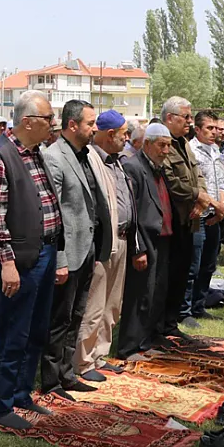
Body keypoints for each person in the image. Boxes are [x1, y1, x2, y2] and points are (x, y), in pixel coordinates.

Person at [0, 90, 63, 430]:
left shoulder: (35, 153)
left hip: (44, 252)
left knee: (36, 330)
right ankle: (0, 406)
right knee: (14, 332)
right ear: (27, 122)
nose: (53, 125)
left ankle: (21, 393)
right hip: (20, 259)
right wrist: (7, 262)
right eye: (48, 119)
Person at [39, 100, 111, 399]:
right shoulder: (54, 157)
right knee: (59, 319)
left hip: (88, 249)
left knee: (76, 316)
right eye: (90, 123)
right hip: (68, 254)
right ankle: (51, 380)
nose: (95, 129)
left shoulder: (86, 154)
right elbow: (52, 215)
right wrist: (59, 259)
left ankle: (67, 374)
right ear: (72, 125)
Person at [76, 110, 138, 381]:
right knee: (94, 305)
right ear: (110, 134)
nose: (127, 139)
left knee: (113, 304)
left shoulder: (118, 161)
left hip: (123, 239)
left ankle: (100, 355)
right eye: (124, 134)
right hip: (103, 243)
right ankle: (83, 362)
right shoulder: (90, 159)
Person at [116, 123, 174, 358]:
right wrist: (137, 249)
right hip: (144, 240)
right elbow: (133, 213)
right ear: (147, 143)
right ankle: (129, 346)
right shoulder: (133, 166)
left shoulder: (157, 167)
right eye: (161, 145)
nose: (166, 151)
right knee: (139, 294)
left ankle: (146, 340)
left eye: (168, 146)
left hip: (162, 238)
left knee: (156, 292)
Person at [158, 97, 213, 339]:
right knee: (169, 277)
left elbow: (197, 173)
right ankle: (162, 325)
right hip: (172, 221)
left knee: (183, 273)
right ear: (170, 118)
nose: (190, 122)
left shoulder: (184, 143)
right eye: (186, 117)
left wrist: (201, 199)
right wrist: (198, 196)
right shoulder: (162, 143)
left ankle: (171, 326)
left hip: (190, 217)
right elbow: (172, 183)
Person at [184, 111, 224, 326]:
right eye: (210, 128)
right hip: (199, 213)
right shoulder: (191, 150)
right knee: (194, 263)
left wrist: (220, 207)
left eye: (216, 128)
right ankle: (185, 310)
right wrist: (214, 204)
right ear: (198, 129)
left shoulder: (216, 150)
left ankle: (200, 305)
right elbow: (195, 186)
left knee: (209, 263)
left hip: (215, 213)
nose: (214, 132)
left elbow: (221, 181)